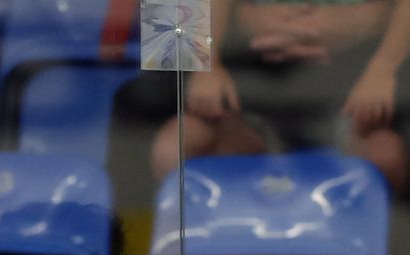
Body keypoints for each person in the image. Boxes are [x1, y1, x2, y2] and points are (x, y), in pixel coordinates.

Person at [143, 0, 410, 193]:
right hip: (241, 99)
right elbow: (167, 45)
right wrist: (205, 67)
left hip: (353, 97)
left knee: (385, 157)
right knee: (175, 147)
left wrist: (383, 64)